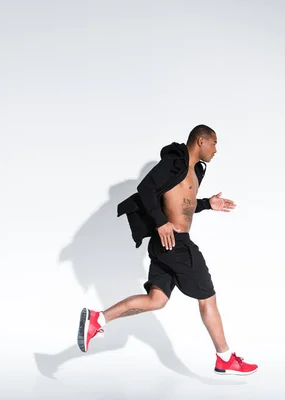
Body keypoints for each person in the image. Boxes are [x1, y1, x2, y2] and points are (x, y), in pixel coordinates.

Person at [77, 124, 258, 376]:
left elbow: (183, 204)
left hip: (165, 246)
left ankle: (98, 319)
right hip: (177, 244)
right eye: (214, 143)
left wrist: (208, 204)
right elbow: (145, 189)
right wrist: (161, 223)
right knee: (208, 298)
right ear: (201, 141)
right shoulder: (175, 163)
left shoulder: (194, 171)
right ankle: (225, 357)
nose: (216, 150)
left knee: (156, 300)